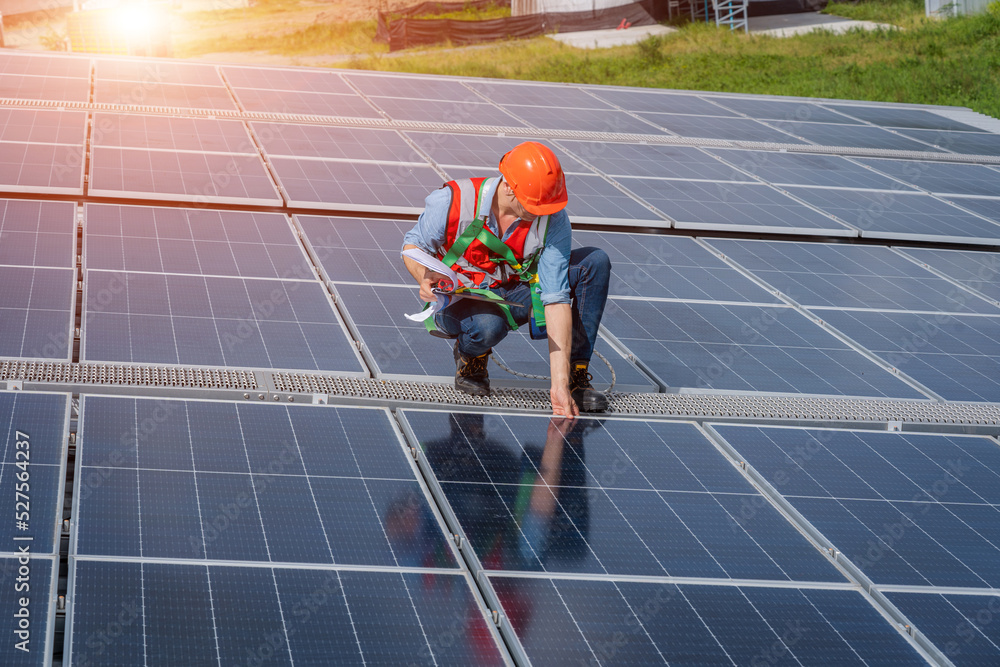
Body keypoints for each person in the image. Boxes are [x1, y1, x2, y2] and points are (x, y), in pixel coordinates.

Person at [401, 141, 611, 415]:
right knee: (488, 327)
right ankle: (471, 357)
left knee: (593, 263)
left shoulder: (552, 217)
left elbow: (555, 297)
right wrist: (423, 276)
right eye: (537, 205)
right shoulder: (455, 200)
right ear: (510, 187)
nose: (545, 212)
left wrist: (557, 385)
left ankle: (575, 378)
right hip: (461, 298)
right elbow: (412, 246)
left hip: (517, 293)